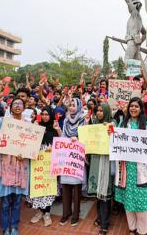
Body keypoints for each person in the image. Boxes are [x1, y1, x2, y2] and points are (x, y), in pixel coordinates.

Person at [0, 96, 30, 235]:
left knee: (16, 200)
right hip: (5, 164)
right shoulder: (3, 122)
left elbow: (31, 146)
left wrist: (26, 153)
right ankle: (5, 227)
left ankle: (14, 226)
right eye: (14, 104)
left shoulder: (28, 124)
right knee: (5, 201)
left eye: (20, 103)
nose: (17, 106)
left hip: (21, 164)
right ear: (10, 107)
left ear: (24, 107)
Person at [114, 97, 147, 235]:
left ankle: (142, 231)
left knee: (141, 204)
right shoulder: (122, 125)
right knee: (128, 201)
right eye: (131, 106)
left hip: (141, 169)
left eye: (136, 106)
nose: (133, 109)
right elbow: (115, 141)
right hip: (126, 168)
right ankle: (132, 229)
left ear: (141, 108)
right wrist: (110, 134)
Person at [28, 107, 62, 227]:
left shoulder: (55, 127)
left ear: (51, 115)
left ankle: (47, 213)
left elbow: (61, 142)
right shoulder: (36, 126)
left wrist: (57, 131)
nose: (44, 116)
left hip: (50, 160)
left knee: (48, 186)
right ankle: (39, 212)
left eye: (47, 114)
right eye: (42, 114)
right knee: (37, 185)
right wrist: (35, 128)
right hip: (37, 160)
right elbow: (29, 141)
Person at [88, 103, 114, 235]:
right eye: (97, 111)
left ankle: (105, 223)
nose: (98, 113)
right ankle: (100, 217)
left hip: (106, 162)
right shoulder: (93, 125)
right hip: (95, 161)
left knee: (105, 193)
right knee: (98, 192)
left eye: (101, 111)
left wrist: (110, 131)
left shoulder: (112, 124)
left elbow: (116, 140)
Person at [60, 97, 85, 227]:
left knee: (76, 187)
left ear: (79, 107)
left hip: (77, 157)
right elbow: (63, 136)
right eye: (70, 105)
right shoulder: (65, 120)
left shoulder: (83, 120)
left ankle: (75, 215)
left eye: (74, 105)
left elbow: (86, 137)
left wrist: (79, 138)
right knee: (65, 186)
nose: (71, 107)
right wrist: (59, 131)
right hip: (66, 155)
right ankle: (66, 213)